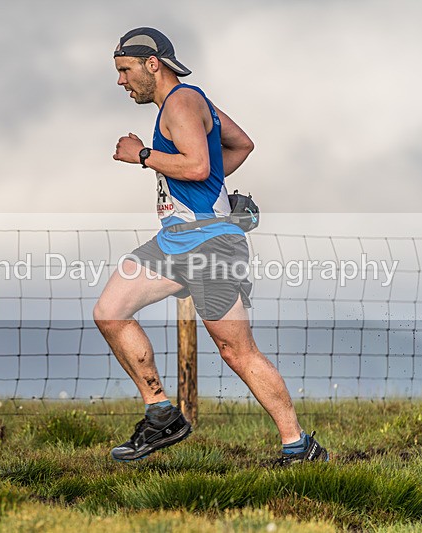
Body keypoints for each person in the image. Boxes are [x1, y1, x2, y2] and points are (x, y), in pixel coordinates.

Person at [94, 27, 329, 465]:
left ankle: (299, 447)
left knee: (236, 351)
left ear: (153, 64)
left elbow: (199, 165)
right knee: (110, 311)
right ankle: (161, 413)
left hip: (210, 247)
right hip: (175, 242)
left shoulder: (181, 103)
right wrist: (217, 191)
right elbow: (241, 145)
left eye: (125, 70)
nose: (121, 81)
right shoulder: (188, 101)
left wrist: (142, 155)